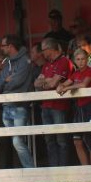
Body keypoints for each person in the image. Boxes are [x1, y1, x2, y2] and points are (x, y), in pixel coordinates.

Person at [57, 48, 91, 166]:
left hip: (90, 108)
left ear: (87, 59)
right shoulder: (75, 73)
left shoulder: (90, 71)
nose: (81, 61)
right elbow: (66, 82)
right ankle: (85, 170)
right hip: (79, 109)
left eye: (83, 59)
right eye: (78, 59)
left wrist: (66, 88)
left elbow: (83, 84)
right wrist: (60, 86)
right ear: (74, 61)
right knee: (77, 141)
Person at [34, 37, 73, 166]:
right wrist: (47, 81)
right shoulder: (46, 64)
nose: (42, 53)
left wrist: (46, 81)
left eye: (43, 50)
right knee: (49, 140)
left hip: (59, 106)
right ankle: (53, 170)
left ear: (50, 49)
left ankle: (63, 171)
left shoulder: (64, 61)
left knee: (61, 140)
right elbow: (36, 84)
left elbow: (53, 83)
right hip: (45, 106)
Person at [0, 34, 35, 169]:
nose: (1, 48)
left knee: (17, 141)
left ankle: (31, 171)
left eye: (3, 45)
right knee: (15, 142)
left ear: (10, 46)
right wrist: (6, 81)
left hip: (19, 106)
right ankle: (27, 170)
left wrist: (6, 82)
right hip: (6, 106)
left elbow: (17, 82)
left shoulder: (25, 61)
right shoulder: (7, 62)